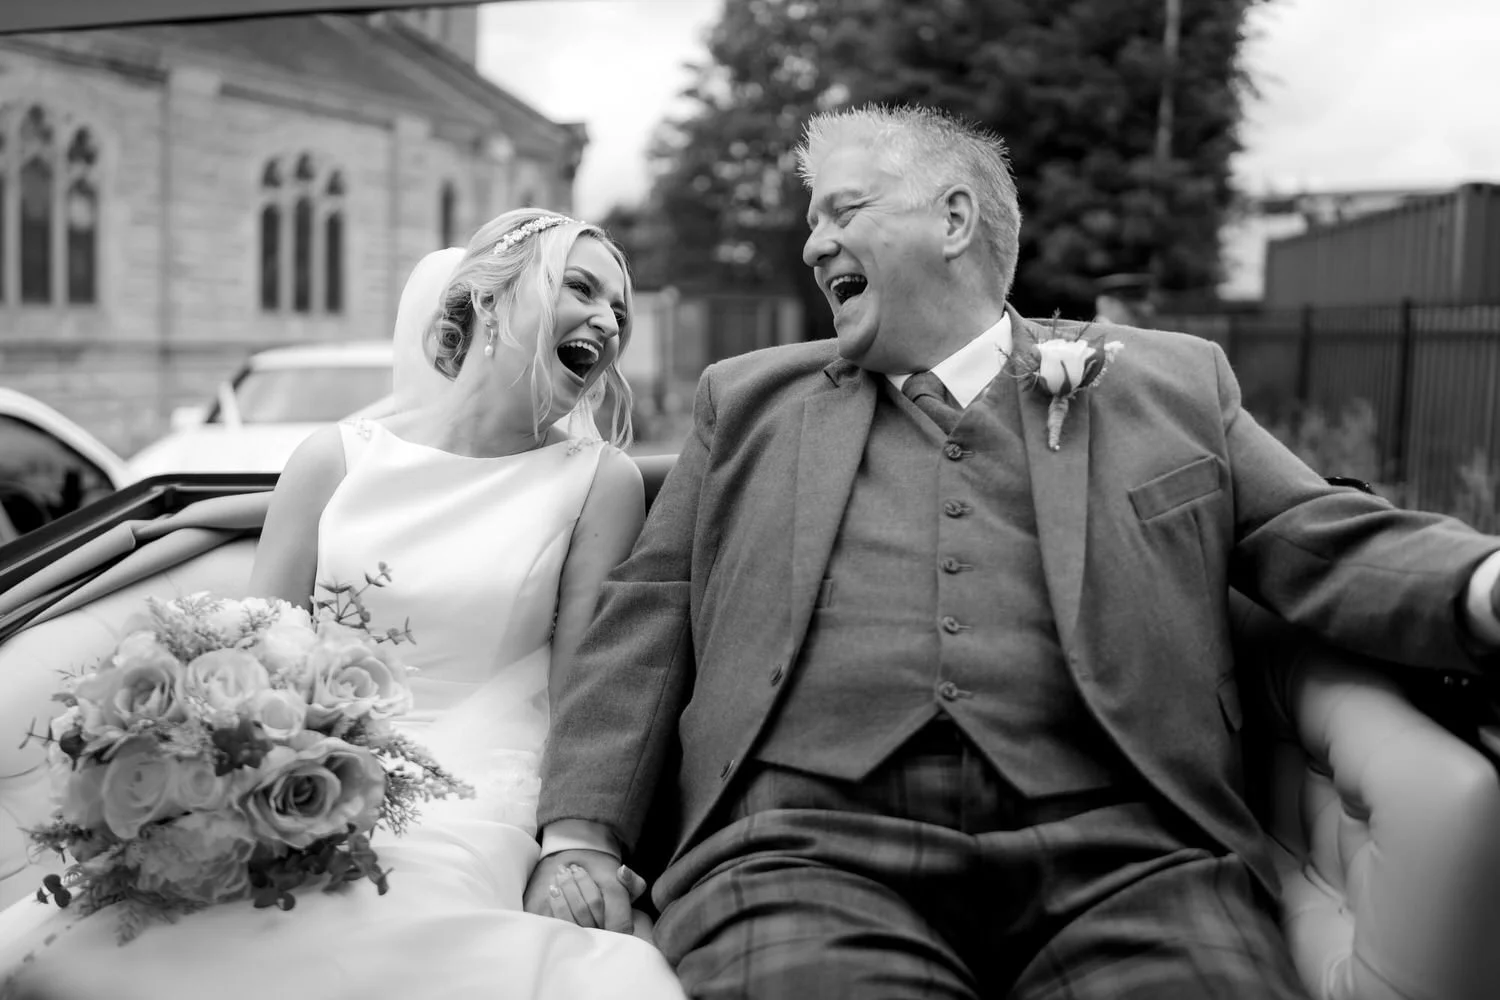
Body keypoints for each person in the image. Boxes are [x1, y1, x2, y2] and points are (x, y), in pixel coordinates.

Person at [525, 105, 1500, 999]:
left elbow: (1314, 534)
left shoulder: (1174, 384)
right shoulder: (741, 404)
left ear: (954, 220)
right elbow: (647, 611)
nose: (815, 242)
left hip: (1132, 859)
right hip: (802, 854)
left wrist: (1484, 582)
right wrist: (579, 835)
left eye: (842, 210)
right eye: (812, 221)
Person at [0, 209, 686, 1000]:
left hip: (480, 787)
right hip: (307, 766)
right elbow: (246, 657)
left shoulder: (599, 482)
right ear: (491, 301)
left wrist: (572, 842)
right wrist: (223, 773)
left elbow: (587, 696)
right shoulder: (333, 459)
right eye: (581, 287)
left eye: (620, 312)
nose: (606, 320)